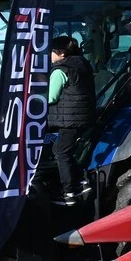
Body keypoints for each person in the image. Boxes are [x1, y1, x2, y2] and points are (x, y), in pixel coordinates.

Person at [47, 35, 96, 204]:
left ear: (60, 53)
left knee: (61, 152)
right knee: (63, 150)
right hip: (84, 117)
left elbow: (51, 97)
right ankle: (82, 181)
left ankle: (68, 193)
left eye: (51, 52)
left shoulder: (60, 70)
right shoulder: (82, 65)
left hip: (69, 120)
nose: (49, 56)